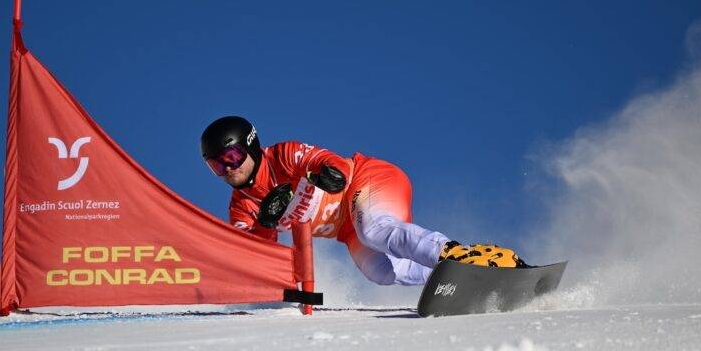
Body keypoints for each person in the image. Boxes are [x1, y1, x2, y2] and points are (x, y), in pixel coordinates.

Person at [200, 116, 526, 286]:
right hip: (345, 228)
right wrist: (265, 225)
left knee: (375, 229)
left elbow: (332, 163)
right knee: (380, 271)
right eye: (216, 164)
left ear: (251, 146)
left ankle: (457, 256)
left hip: (366, 179)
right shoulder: (241, 206)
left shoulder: (282, 156)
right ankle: (470, 273)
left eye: (232, 156)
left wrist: (331, 174)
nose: (228, 168)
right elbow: (255, 256)